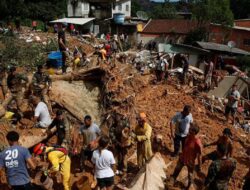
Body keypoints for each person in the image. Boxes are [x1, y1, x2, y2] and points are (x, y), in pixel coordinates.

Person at [170, 124, 202, 189]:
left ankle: (188, 186)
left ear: (194, 132)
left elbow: (199, 155)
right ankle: (172, 179)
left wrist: (199, 166)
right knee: (177, 169)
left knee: (190, 175)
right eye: (189, 129)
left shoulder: (197, 143)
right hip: (182, 157)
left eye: (190, 130)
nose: (188, 131)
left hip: (190, 161)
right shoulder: (188, 136)